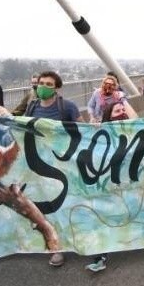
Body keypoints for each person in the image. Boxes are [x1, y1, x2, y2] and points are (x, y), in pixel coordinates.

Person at [24, 71, 84, 267]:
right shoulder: (32, 106)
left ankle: (80, 237)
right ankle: (56, 247)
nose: (43, 86)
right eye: (41, 83)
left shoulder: (67, 107)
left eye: (49, 84)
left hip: (65, 165)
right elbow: (23, 129)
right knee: (50, 208)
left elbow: (83, 129)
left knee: (70, 204)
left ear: (57, 88)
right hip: (41, 167)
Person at [86, 100, 138, 273]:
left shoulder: (136, 130)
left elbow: (136, 119)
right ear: (109, 115)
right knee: (104, 218)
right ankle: (100, 256)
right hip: (110, 187)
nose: (122, 112)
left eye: (124, 110)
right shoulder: (101, 135)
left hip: (132, 186)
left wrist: (123, 102)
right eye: (117, 111)